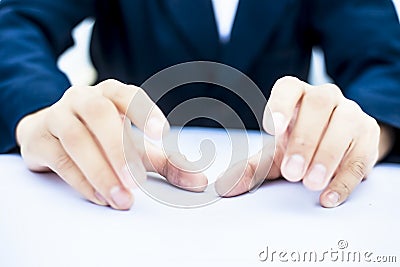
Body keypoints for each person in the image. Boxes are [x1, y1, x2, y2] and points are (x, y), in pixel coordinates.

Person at [0, 0, 399, 210]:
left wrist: (363, 135)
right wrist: (36, 113)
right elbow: (15, 23)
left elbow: (384, 62)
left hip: (278, 194)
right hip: (124, 186)